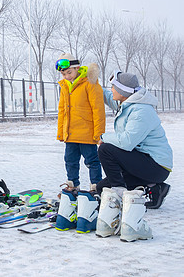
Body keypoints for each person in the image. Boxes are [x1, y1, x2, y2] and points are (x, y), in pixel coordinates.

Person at [95, 71, 172, 241]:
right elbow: (108, 97)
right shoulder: (129, 103)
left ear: (123, 91)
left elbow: (128, 142)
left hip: (157, 165)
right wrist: (93, 84)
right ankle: (155, 190)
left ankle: (120, 195)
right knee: (102, 188)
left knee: (106, 149)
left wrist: (102, 137)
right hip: (142, 161)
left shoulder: (141, 111)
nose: (112, 90)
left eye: (114, 87)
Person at [54, 53, 106, 233]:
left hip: (86, 133)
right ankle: (72, 184)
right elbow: (62, 110)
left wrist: (99, 133)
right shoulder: (65, 86)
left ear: (77, 69)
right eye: (64, 74)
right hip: (70, 134)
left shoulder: (90, 83)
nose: (66, 76)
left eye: (69, 72)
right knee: (70, 160)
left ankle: (95, 186)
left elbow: (98, 109)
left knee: (92, 160)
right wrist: (61, 131)